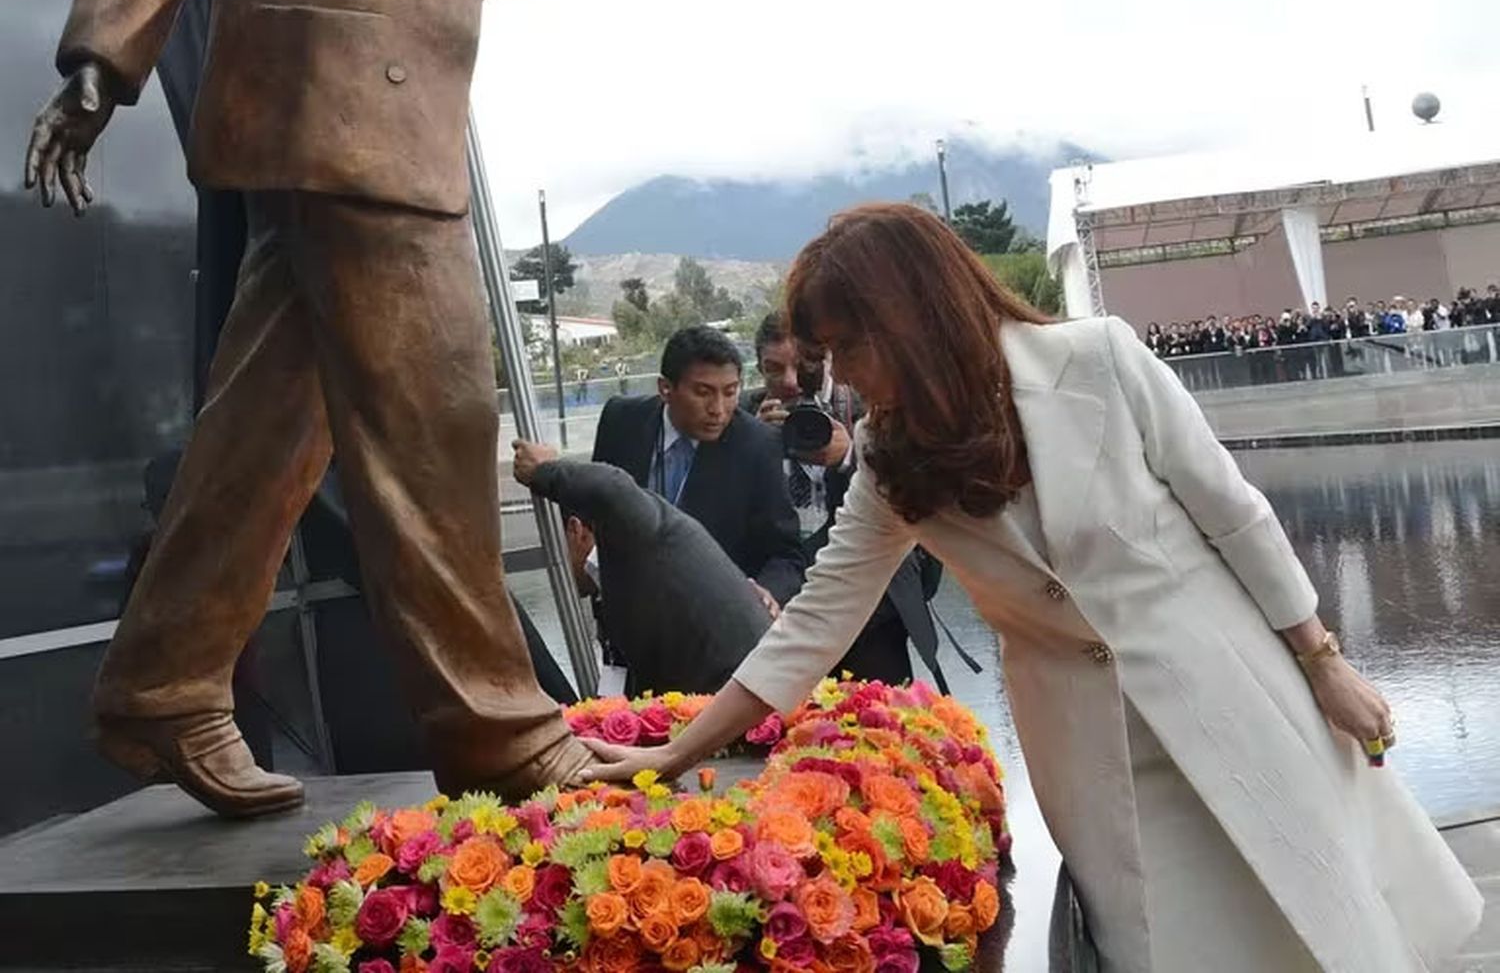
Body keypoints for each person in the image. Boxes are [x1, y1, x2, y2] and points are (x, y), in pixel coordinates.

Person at [19, 0, 796, 818]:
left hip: (399, 114)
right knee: (445, 410)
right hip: (331, 104)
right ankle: (502, 732)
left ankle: (160, 682)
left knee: (268, 429)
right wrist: (102, 56)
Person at [582, 203, 1482, 973]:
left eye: (849, 343)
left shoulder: (1102, 362)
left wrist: (1323, 661)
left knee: (1318, 915)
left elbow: (1235, 516)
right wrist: (678, 751)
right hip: (1095, 756)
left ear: (914, 313)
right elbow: (815, 619)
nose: (841, 373)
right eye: (827, 352)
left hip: (1232, 693)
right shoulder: (894, 461)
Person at [746, 312, 954, 688]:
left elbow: (927, 489)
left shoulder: (873, 402)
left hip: (873, 606)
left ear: (825, 357)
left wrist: (852, 457)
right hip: (784, 607)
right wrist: (753, 447)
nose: (789, 382)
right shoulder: (745, 417)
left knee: (881, 725)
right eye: (773, 369)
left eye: (801, 366)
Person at [509, 438, 771, 695]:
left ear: (576, 530)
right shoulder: (609, 584)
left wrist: (545, 470)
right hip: (729, 694)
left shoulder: (640, 536)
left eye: (554, 553)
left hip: (745, 693)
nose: (553, 572)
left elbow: (612, 486)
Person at [591, 325, 806, 614]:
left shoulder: (758, 445)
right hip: (628, 619)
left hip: (713, 624)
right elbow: (593, 507)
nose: (718, 409)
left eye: (730, 392)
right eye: (703, 392)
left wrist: (766, 592)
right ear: (665, 388)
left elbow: (787, 554)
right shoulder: (620, 419)